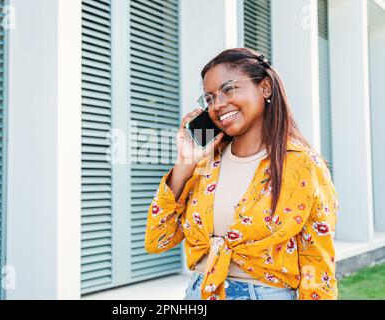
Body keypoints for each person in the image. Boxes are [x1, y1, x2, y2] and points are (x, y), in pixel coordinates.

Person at [144, 48, 339, 300]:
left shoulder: (303, 165)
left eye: (229, 89)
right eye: (210, 98)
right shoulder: (205, 165)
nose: (218, 105)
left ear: (265, 88)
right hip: (199, 293)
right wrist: (184, 165)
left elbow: (317, 260)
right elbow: (157, 239)